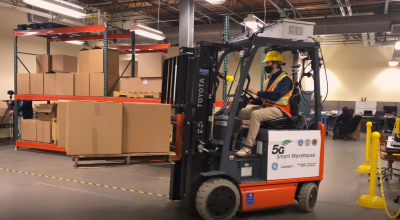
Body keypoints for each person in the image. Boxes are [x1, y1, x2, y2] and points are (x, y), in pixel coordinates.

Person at [236, 51, 293, 157]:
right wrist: (249, 101)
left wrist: (256, 92)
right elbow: (263, 98)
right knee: (239, 112)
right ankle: (233, 141)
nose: (265, 66)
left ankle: (248, 147)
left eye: (267, 63)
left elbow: (276, 95)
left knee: (256, 114)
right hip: (267, 106)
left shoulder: (285, 80)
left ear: (275, 64)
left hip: (280, 109)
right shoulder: (268, 80)